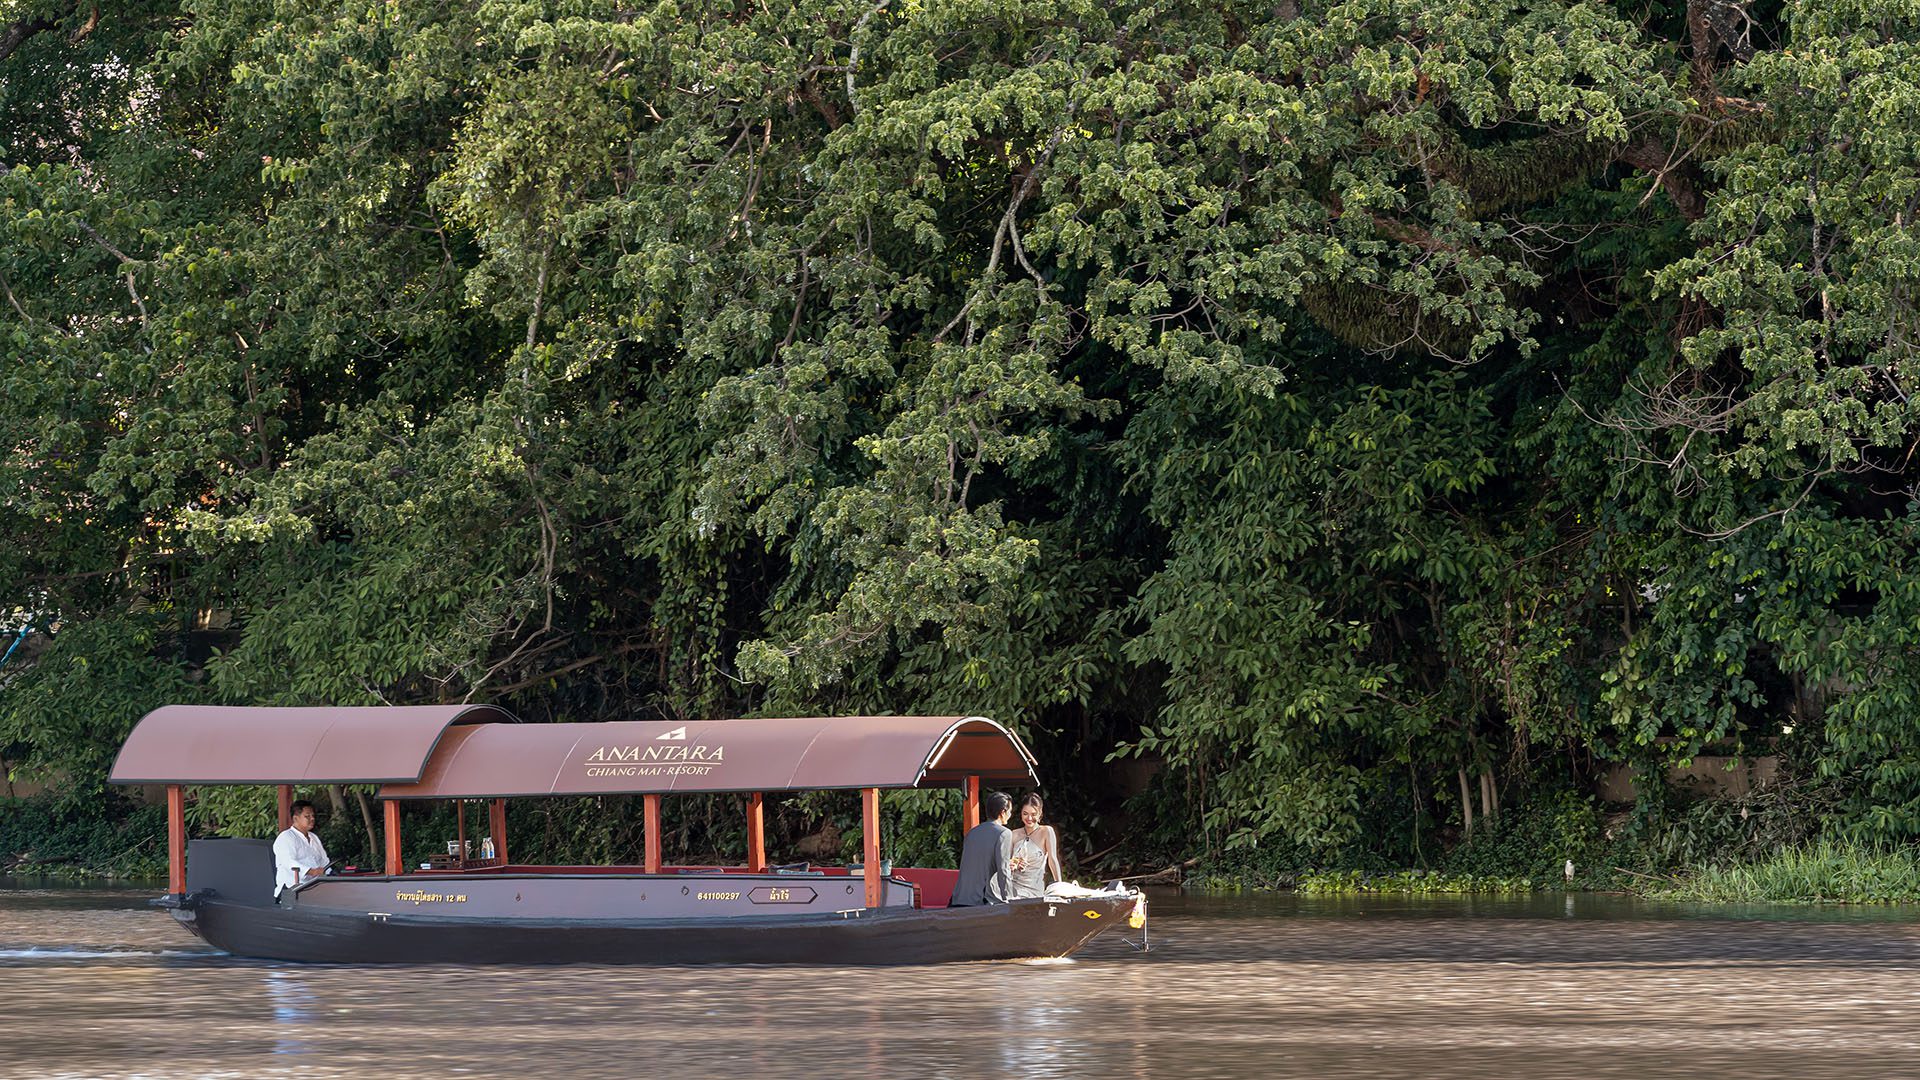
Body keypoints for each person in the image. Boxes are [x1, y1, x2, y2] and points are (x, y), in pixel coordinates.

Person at [950, 790, 1013, 906]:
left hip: (959, 898)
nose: (1010, 815)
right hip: (982, 901)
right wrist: (1009, 899)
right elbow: (1003, 870)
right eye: (1009, 811)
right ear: (1003, 812)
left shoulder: (972, 833)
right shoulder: (1004, 833)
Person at [1008, 793, 1063, 899]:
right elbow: (1006, 862)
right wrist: (1014, 864)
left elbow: (1052, 859)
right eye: (1025, 814)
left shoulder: (1046, 831)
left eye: (1033, 814)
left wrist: (1059, 885)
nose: (1029, 818)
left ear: (1040, 814)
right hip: (1013, 888)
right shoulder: (1013, 834)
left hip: (1034, 888)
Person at [273, 800, 330, 898]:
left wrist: (331, 873)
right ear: (295, 818)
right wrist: (312, 871)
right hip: (292, 891)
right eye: (307, 816)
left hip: (315, 888)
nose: (312, 818)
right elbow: (289, 862)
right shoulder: (286, 837)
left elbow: (324, 862)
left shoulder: (314, 837)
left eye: (313, 816)